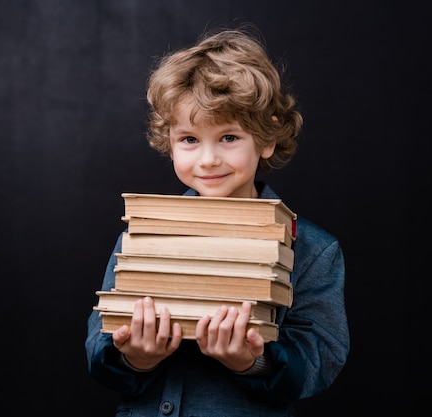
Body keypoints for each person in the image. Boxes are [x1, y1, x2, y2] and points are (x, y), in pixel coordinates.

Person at [85, 24, 349, 416]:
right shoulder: (142, 234)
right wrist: (135, 356)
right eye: (189, 139)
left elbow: (320, 360)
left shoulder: (311, 249)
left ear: (267, 137)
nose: (208, 159)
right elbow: (98, 346)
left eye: (228, 137)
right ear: (169, 141)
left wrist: (251, 360)